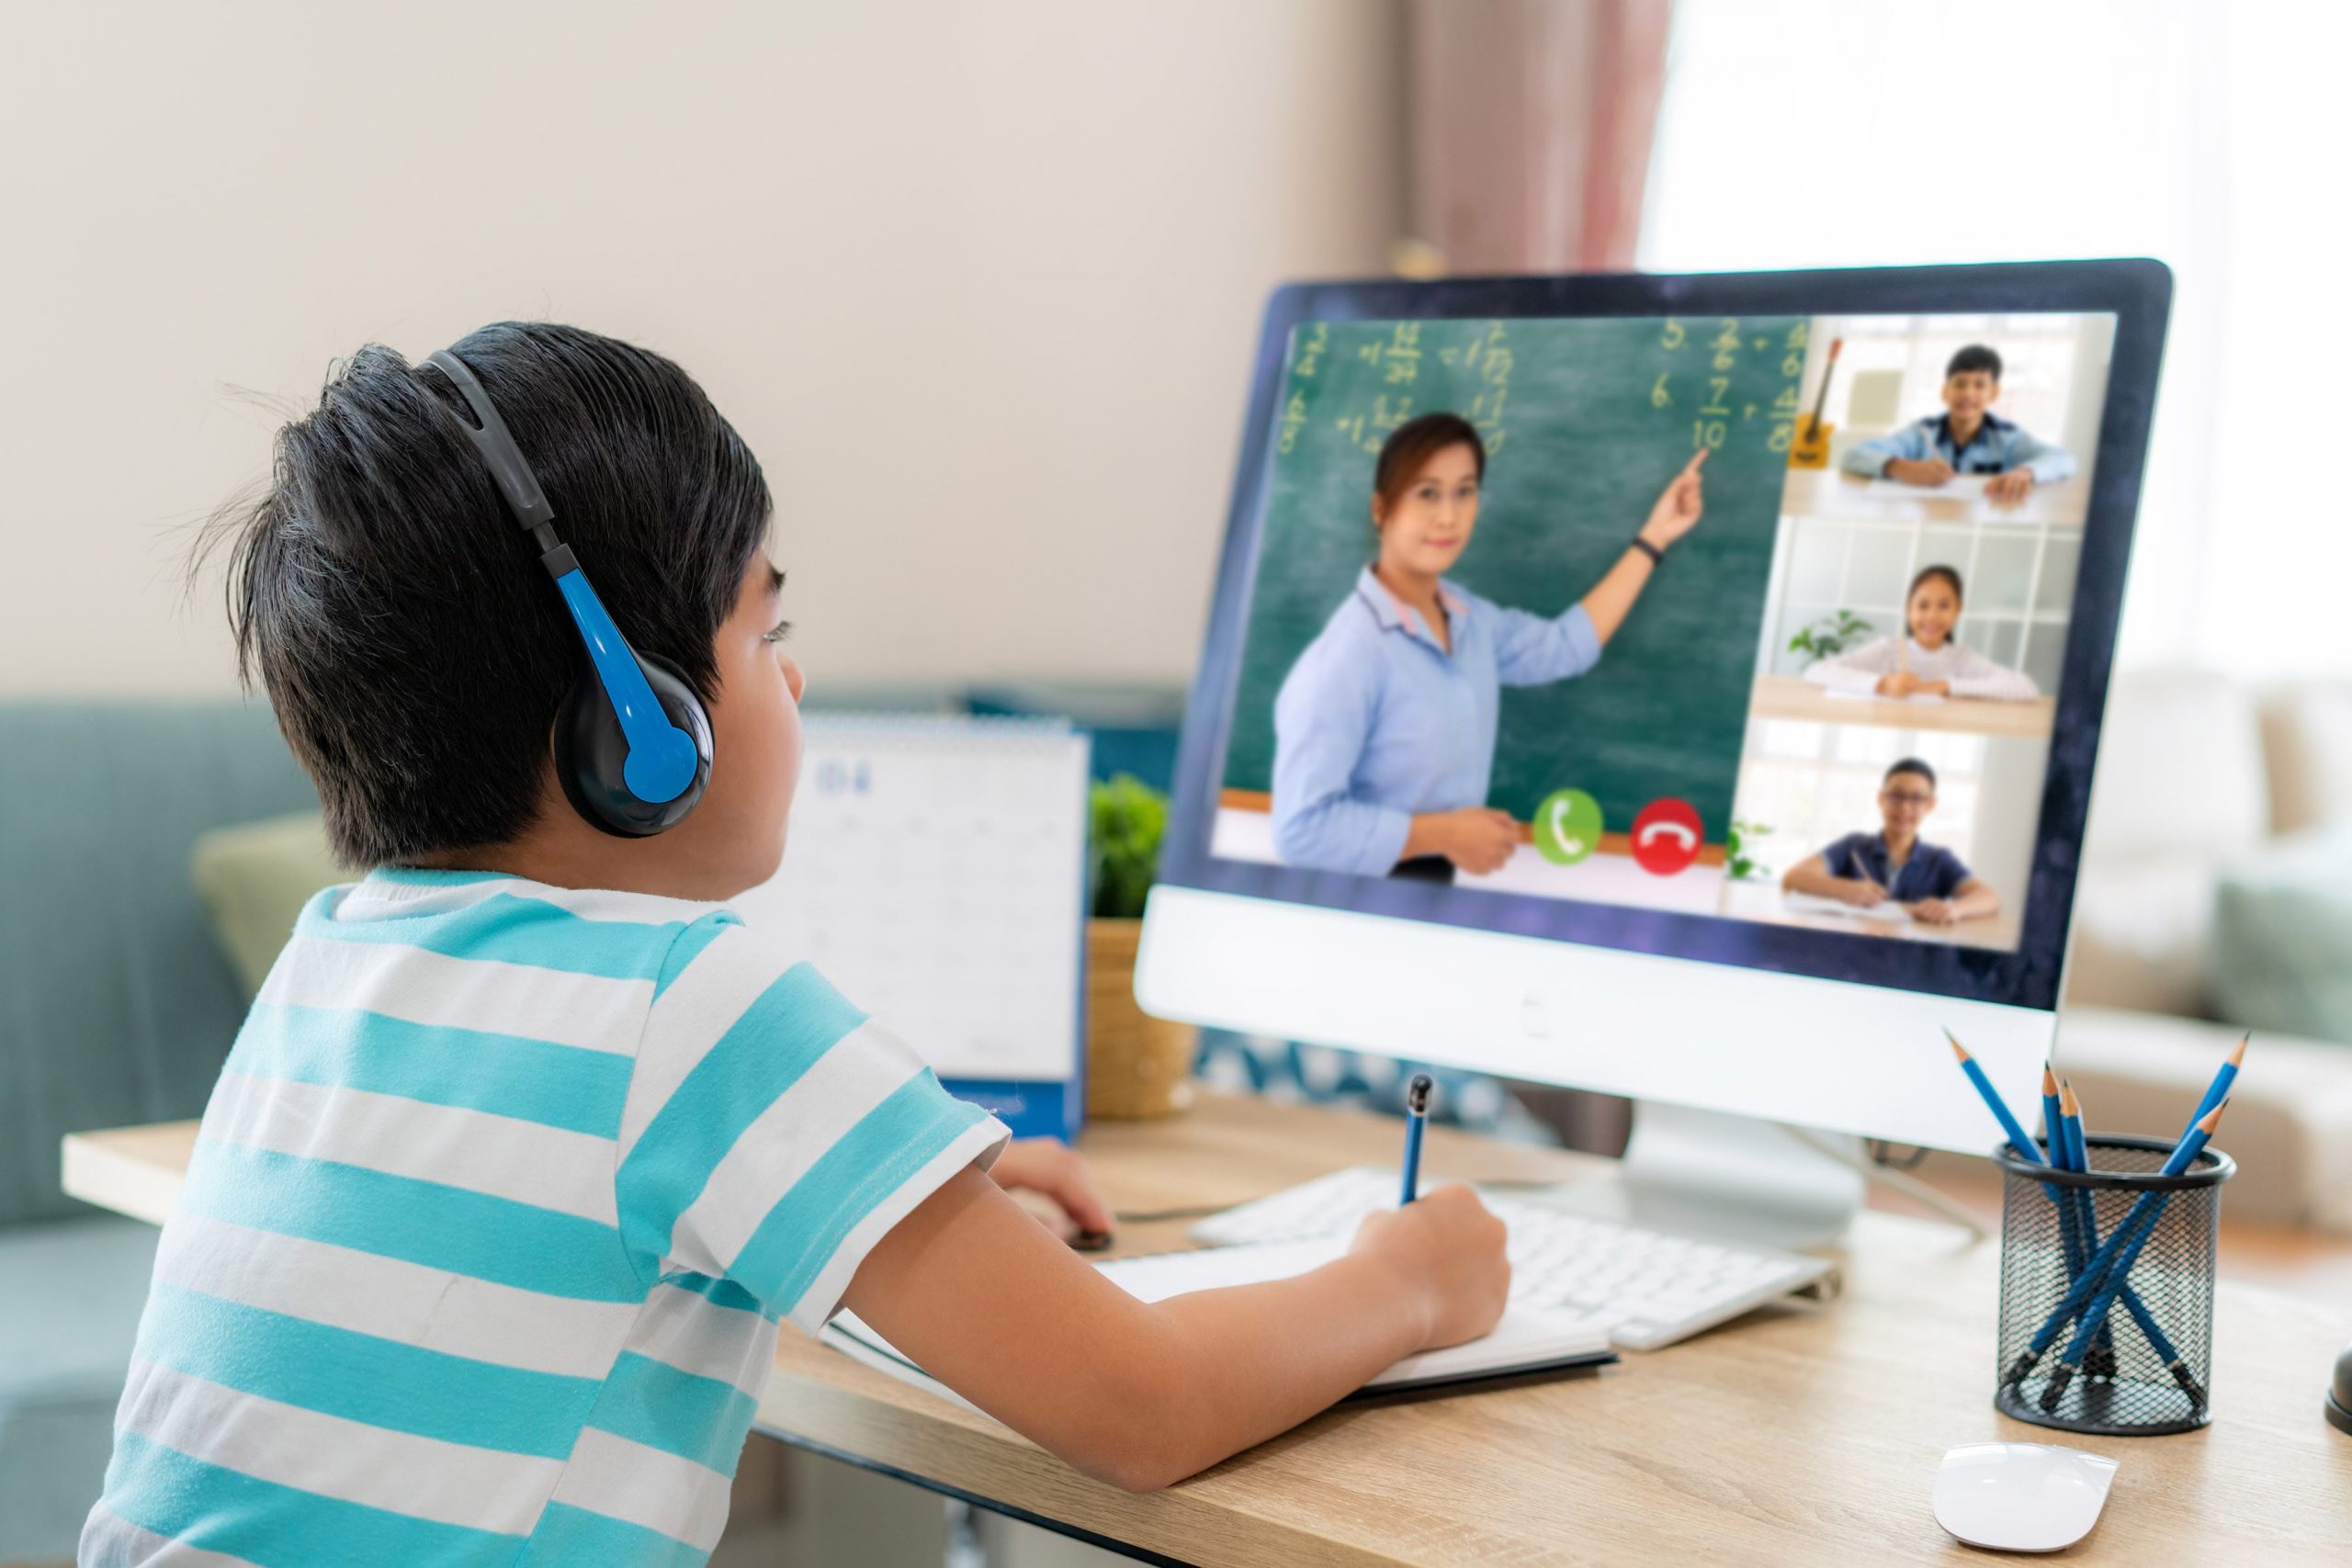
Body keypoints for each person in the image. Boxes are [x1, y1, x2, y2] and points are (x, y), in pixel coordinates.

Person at [82, 324, 1513, 1562]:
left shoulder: (330, 959)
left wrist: (895, 1187)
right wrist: (1406, 1277)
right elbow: (1138, 1407)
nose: (800, 674)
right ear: (638, 727)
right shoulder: (689, 1000)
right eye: (771, 629)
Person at [1271, 412, 1707, 881]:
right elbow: (1301, 830)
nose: (1449, 516)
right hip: (1359, 902)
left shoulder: (1467, 620)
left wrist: (1654, 537)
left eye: (1465, 491)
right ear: (1381, 510)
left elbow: (1564, 646)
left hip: (1429, 888)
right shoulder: (1350, 654)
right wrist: (1443, 834)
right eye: (1427, 493)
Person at [1841, 344, 2075, 504]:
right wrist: (1902, 467)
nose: (1967, 393)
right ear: (1945, 391)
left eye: (1979, 385)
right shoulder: (1922, 432)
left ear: (1994, 393)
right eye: (1960, 384)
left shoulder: (2007, 437)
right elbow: (1853, 455)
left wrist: (2025, 472)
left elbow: (2064, 459)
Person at [1781, 757, 2000, 926]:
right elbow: (1793, 877)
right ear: (1881, 798)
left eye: (1916, 798)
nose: (1904, 807)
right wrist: (1844, 889)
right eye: (1896, 796)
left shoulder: (1939, 859)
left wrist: (1955, 910)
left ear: (1930, 805)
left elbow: (1989, 898)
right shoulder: (1854, 846)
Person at [1803, 565, 2039, 701]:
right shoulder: (1888, 649)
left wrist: (1943, 686)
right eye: (1923, 606)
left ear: (1958, 609)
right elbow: (1815, 671)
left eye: (1944, 606)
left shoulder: (1962, 658)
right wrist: (1883, 683)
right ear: (1908, 609)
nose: (1932, 616)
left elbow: (2026, 688)